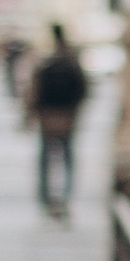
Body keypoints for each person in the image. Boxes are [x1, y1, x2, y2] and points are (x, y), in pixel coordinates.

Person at [28, 24, 87, 217]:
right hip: (67, 116)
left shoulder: (45, 60)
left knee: (45, 159)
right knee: (68, 159)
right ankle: (66, 198)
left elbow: (35, 90)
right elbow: (83, 90)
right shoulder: (71, 60)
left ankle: (46, 200)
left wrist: (32, 114)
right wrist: (74, 112)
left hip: (47, 117)